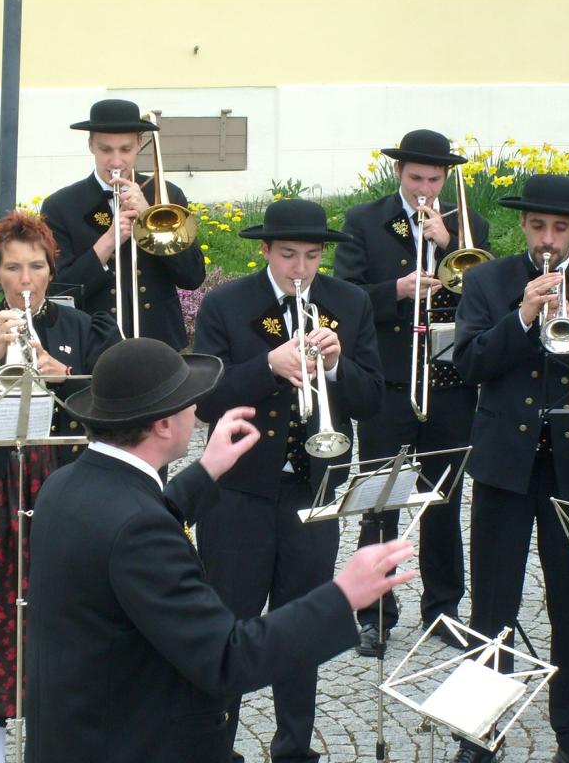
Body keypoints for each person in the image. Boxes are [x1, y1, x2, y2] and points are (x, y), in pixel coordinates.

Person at [24, 337, 413, 763]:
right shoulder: (139, 529)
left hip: (74, 734)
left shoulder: (63, 486)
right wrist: (342, 596)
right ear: (163, 426)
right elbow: (228, 659)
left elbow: (128, 524)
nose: (197, 409)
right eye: (187, 401)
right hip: (134, 744)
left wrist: (207, 470)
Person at [193, 198, 385, 762]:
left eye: (311, 256)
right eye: (288, 255)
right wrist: (267, 367)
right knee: (227, 626)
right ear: (265, 251)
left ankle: (294, 749)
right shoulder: (227, 303)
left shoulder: (348, 302)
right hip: (237, 491)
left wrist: (337, 366)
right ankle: (214, 749)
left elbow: (372, 400)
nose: (301, 268)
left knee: (302, 628)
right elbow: (204, 400)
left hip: (313, 490)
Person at [452, 174, 569, 763]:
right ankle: (478, 731)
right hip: (505, 464)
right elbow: (470, 364)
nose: (547, 239)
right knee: (492, 604)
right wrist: (524, 318)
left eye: (559, 227)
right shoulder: (487, 281)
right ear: (523, 226)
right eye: (537, 226)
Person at [0, 211, 119, 763]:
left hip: (68, 483)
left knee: (68, 615)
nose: (25, 279)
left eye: (36, 266)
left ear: (52, 270)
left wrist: (62, 375)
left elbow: (112, 414)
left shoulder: (82, 328)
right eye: (13, 268)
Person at [335, 128, 490, 655]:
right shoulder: (364, 220)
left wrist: (451, 245)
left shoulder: (469, 226)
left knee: (444, 501)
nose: (425, 189)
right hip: (389, 382)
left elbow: (486, 294)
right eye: (416, 178)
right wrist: (395, 291)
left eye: (435, 179)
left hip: (449, 384)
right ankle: (374, 612)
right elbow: (345, 296)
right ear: (398, 173)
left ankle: (443, 609)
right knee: (381, 500)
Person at [40, 98, 206, 348]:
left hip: (160, 342)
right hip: (92, 343)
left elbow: (193, 277)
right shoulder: (61, 206)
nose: (116, 161)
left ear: (139, 143)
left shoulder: (168, 196)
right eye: (105, 150)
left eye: (126, 149)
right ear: (91, 145)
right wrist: (107, 243)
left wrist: (150, 218)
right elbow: (59, 291)